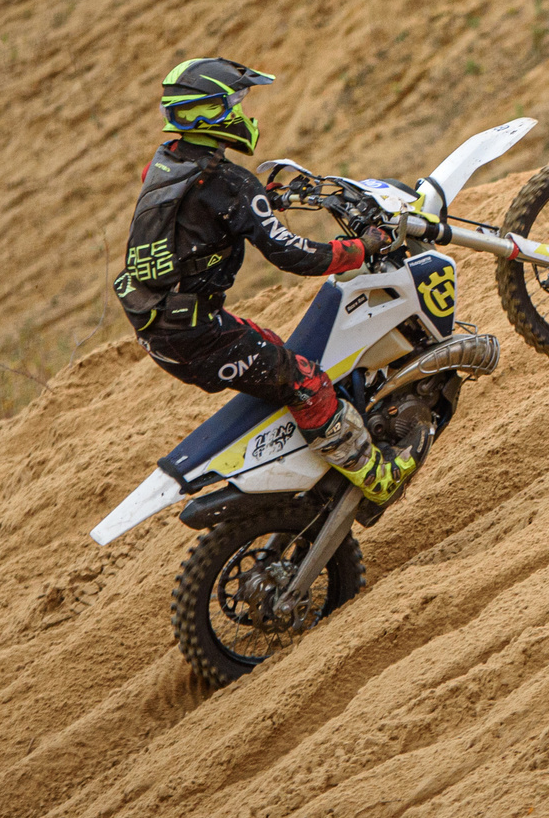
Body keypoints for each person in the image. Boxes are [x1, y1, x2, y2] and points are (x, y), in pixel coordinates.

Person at [114, 57, 416, 505]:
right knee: (305, 380)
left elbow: (200, 214)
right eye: (234, 102)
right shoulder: (230, 184)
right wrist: (363, 247)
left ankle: (302, 454)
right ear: (207, 112)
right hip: (193, 333)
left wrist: (261, 199)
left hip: (158, 318)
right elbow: (291, 254)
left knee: (273, 346)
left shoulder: (166, 164)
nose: (242, 111)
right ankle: (373, 475)